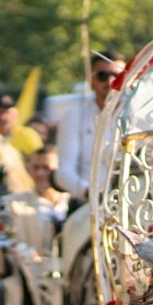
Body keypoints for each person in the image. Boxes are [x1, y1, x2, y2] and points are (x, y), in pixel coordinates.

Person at [56, 50, 123, 198]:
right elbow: (64, 171)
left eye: (118, 76)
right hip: (89, 203)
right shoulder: (73, 116)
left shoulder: (137, 114)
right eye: (103, 76)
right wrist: (90, 194)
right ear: (91, 81)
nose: (110, 82)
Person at [0, 92, 44, 157]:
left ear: (16, 115)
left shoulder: (28, 135)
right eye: (0, 112)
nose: (4, 118)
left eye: (8, 112)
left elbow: (39, 160)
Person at [26, 147, 70, 225]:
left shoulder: (72, 202)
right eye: (35, 168)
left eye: (46, 168)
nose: (39, 173)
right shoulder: (12, 206)